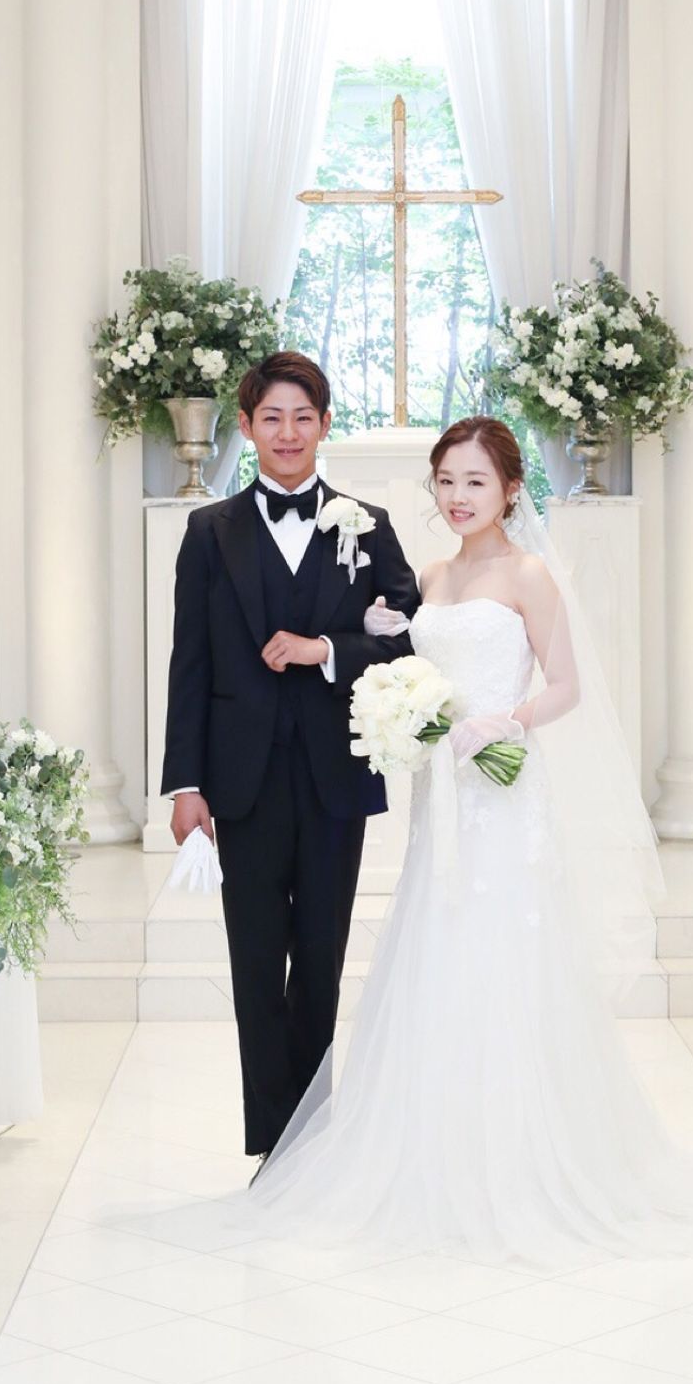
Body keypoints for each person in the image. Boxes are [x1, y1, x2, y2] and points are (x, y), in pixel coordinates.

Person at [238, 415, 693, 1265]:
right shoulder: (430, 577)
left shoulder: (530, 575)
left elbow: (567, 685)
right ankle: (428, 1154)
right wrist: (393, 660)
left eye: (475, 482)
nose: (458, 497)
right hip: (442, 799)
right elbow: (410, 668)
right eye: (446, 481)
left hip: (502, 790)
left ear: (510, 489)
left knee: (504, 950)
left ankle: (520, 1157)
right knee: (436, 944)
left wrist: (508, 721)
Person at [161, 351, 420, 1166]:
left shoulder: (368, 524)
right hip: (239, 781)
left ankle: (312, 1146)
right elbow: (189, 662)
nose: (287, 432)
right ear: (245, 426)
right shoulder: (210, 531)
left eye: (302, 417)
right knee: (253, 960)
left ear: (324, 424)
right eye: (271, 417)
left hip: (335, 775)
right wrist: (186, 783)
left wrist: (327, 649)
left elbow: (408, 637)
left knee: (320, 958)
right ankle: (272, 1149)